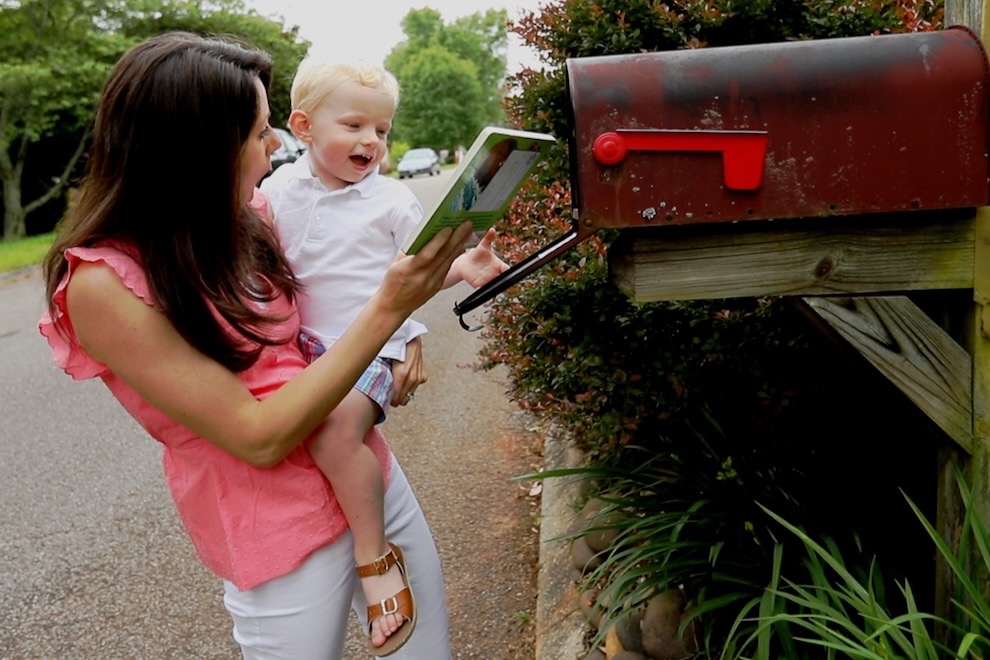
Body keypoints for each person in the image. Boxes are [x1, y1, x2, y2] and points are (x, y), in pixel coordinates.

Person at [39, 31, 475, 660]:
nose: (277, 147)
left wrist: (401, 337)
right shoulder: (102, 286)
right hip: (276, 526)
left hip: (362, 476)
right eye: (258, 132)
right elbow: (258, 435)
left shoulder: (248, 217)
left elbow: (332, 293)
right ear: (196, 149)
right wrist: (390, 311)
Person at [259, 58, 508, 654]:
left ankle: (374, 558)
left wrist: (463, 269)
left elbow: (418, 273)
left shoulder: (392, 200)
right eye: (355, 126)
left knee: (336, 430)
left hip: (369, 346)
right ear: (303, 126)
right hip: (301, 347)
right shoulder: (274, 191)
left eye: (383, 130)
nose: (371, 141)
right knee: (303, 422)